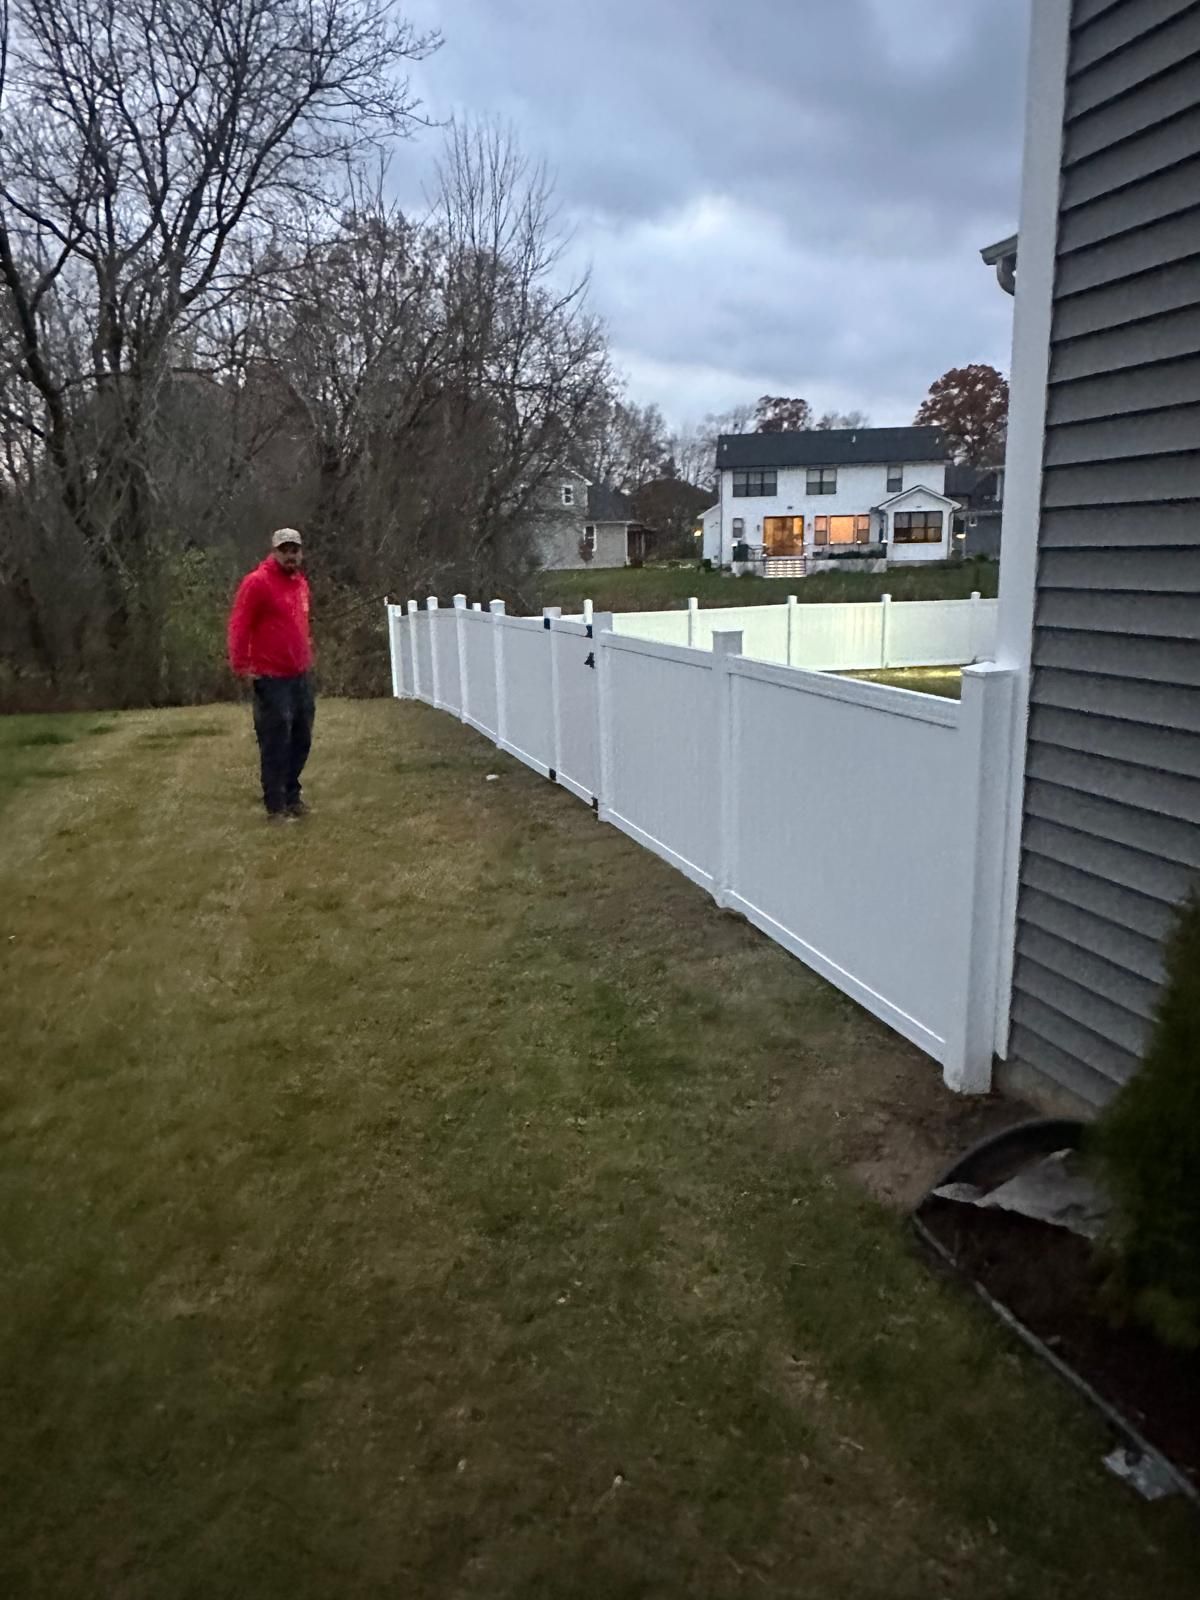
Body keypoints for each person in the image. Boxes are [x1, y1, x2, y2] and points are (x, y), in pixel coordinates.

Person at [227, 528, 315, 824]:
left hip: (299, 674)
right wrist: (241, 665)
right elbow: (239, 625)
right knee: (275, 739)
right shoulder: (257, 583)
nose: (290, 555)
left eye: (295, 550)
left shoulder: (300, 584)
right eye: (285, 550)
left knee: (302, 737)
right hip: (270, 675)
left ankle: (292, 795)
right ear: (274, 551)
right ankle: (275, 805)